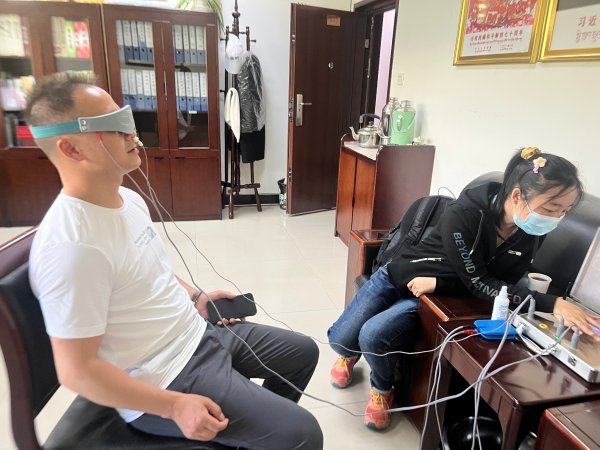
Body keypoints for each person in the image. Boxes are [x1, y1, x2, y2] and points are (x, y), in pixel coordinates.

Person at [26, 73, 323, 449]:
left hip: (198, 333)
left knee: (303, 352)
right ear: (71, 148)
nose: (132, 133)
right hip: (166, 376)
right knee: (304, 434)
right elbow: (76, 372)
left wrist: (196, 296)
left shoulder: (128, 199)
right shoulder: (71, 247)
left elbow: (150, 272)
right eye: (114, 125)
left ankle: (252, 436)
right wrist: (174, 406)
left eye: (127, 118)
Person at [328, 147, 600, 431]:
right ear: (517, 196)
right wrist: (552, 303)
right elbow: (479, 281)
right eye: (551, 209)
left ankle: (382, 388)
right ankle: (348, 352)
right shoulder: (466, 214)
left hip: (434, 294)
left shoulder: (531, 231)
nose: (556, 218)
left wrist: (440, 284)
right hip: (399, 275)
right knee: (340, 340)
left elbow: (491, 282)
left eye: (564, 211)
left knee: (373, 336)